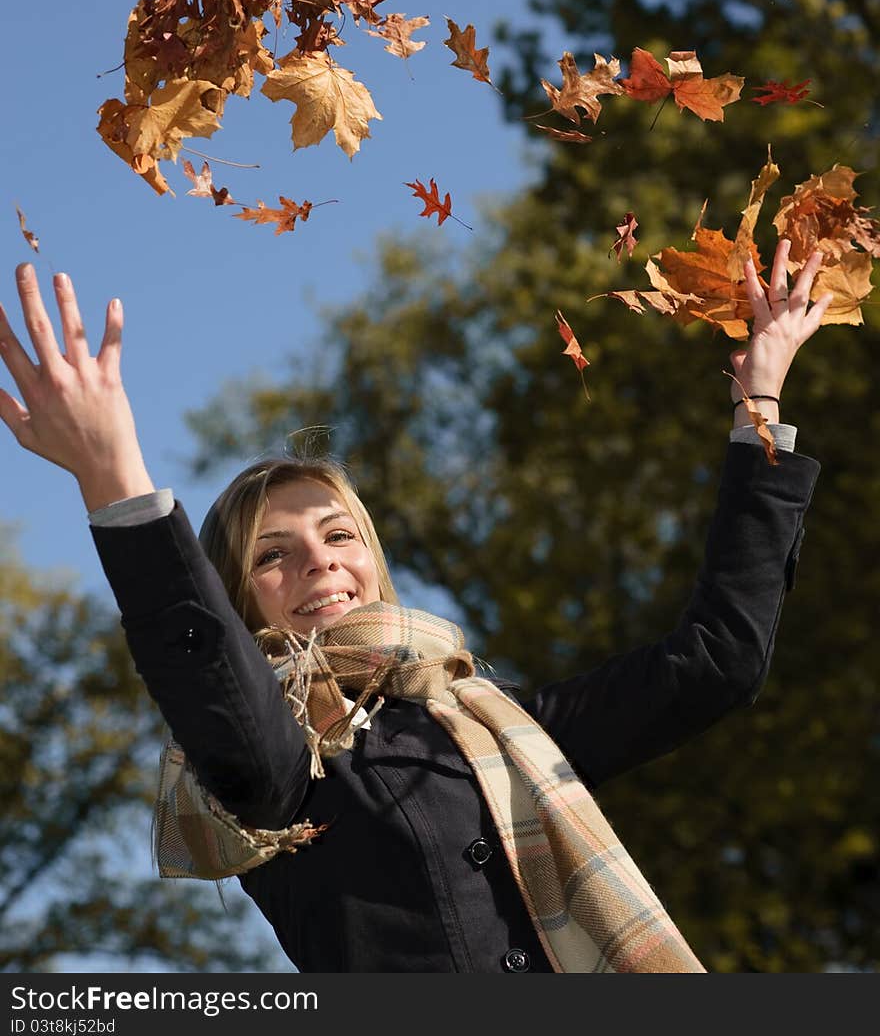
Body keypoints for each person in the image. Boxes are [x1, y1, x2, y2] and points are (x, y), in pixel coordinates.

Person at [0, 242, 830, 973]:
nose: (319, 561)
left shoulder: (501, 725)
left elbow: (718, 661)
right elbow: (202, 663)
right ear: (237, 603)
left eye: (337, 535)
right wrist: (114, 475)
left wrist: (758, 403)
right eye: (272, 555)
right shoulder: (273, 764)